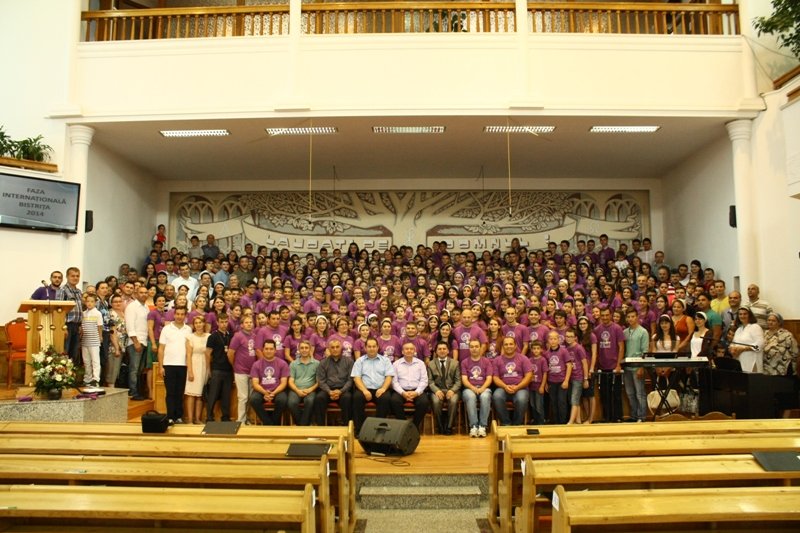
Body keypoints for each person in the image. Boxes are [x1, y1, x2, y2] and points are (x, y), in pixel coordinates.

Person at [351, 337, 396, 433]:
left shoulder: (385, 360)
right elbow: (356, 378)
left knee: (385, 399)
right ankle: (360, 430)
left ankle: (379, 430)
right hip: (364, 389)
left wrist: (383, 389)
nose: (372, 348)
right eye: (369, 346)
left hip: (380, 389)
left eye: (374, 346)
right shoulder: (359, 361)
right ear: (365, 348)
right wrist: (364, 390)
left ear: (378, 347)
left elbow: (389, 376)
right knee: (356, 398)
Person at [157, 306, 192, 424]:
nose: (180, 316)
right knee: (170, 392)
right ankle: (170, 416)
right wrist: (161, 366)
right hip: (169, 365)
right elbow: (161, 349)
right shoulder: (166, 329)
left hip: (183, 365)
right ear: (174, 315)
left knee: (180, 392)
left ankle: (179, 416)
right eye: (178, 314)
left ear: (185, 316)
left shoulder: (188, 330)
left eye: (182, 314)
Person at [313, 338, 355, 426]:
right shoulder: (323, 362)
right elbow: (321, 381)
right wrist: (329, 391)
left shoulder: (349, 361)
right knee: (319, 398)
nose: (335, 349)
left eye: (337, 347)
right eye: (332, 347)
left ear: (341, 348)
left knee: (347, 398)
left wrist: (340, 391)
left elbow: (350, 380)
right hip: (327, 390)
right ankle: (320, 428)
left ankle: (346, 427)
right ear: (329, 349)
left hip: (343, 390)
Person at [492, 336, 533, 426]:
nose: (508, 346)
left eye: (511, 344)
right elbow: (495, 378)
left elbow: (529, 376)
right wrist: (505, 386)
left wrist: (517, 387)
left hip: (521, 388)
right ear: (503, 346)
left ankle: (516, 424)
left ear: (515, 346)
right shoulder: (497, 360)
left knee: (521, 399)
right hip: (503, 388)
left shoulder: (523, 358)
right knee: (497, 396)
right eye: (506, 344)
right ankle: (506, 423)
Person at [594, 307, 625, 422]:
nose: (605, 317)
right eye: (603, 315)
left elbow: (621, 347)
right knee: (604, 394)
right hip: (602, 367)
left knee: (616, 393)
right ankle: (606, 417)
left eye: (607, 315)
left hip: (614, 366)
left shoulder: (617, 328)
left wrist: (618, 365)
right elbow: (596, 349)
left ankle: (618, 417)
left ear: (611, 315)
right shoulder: (597, 329)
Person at [390, 342, 430, 431]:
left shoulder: (421, 363)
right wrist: (403, 393)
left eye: (411, 349)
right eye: (406, 349)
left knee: (424, 402)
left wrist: (417, 392)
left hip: (416, 390)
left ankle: (414, 427)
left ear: (414, 351)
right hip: (401, 391)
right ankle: (404, 426)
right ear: (402, 351)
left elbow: (424, 380)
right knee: (394, 401)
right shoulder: (396, 364)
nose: (409, 351)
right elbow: (394, 382)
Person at [248, 339, 290, 425]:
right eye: (266, 349)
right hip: (261, 390)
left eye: (271, 349)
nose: (268, 351)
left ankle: (271, 423)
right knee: (254, 400)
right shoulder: (256, 364)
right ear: (263, 350)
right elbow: (255, 383)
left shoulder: (282, 363)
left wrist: (273, 393)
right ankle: (269, 424)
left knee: (282, 400)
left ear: (275, 350)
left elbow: (283, 383)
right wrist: (265, 393)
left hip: (277, 390)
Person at [227, 315, 259, 423]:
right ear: (241, 325)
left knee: (250, 397)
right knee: (243, 397)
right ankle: (241, 420)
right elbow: (230, 353)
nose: (249, 324)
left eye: (251, 322)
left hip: (252, 371)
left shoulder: (254, 336)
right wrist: (235, 365)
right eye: (246, 322)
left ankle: (247, 418)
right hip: (240, 371)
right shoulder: (238, 336)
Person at [427, 341, 461, 435]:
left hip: (452, 389)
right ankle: (440, 426)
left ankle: (449, 427)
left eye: (444, 349)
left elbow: (458, 381)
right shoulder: (431, 364)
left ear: (448, 351)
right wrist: (436, 390)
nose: (442, 351)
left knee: (453, 401)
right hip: (437, 390)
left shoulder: (455, 363)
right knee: (436, 401)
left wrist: (452, 390)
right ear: (436, 351)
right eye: (439, 349)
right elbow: (430, 381)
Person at [461, 339, 493, 437]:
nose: (474, 349)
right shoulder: (464, 362)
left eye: (476, 346)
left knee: (485, 396)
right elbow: (464, 380)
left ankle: (482, 426)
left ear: (480, 348)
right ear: (469, 348)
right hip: (469, 388)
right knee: (470, 397)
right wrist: (473, 388)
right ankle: (474, 426)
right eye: (472, 347)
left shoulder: (487, 361)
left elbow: (489, 378)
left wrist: (482, 388)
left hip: (484, 387)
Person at [205, 313, 234, 422]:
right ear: (217, 322)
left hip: (228, 369)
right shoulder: (212, 336)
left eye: (226, 322)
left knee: (226, 395)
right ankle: (209, 416)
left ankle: (225, 416)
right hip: (217, 369)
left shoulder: (231, 336)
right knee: (213, 394)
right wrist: (209, 370)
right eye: (221, 322)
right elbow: (208, 354)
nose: (224, 324)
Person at [623, 308, 649, 422]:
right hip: (627, 366)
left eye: (633, 316)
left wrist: (641, 367)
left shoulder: (643, 332)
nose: (630, 319)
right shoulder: (625, 332)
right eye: (628, 317)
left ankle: (641, 416)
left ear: (637, 317)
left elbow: (645, 351)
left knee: (640, 393)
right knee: (630, 393)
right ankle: (633, 416)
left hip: (638, 366)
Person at [124, 285, 149, 401]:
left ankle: (138, 391)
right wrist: (135, 341)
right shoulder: (132, 307)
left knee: (139, 370)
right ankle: (133, 392)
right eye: (141, 292)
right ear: (136, 294)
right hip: (135, 342)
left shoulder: (146, 307)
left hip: (144, 341)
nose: (144, 294)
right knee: (134, 369)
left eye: (145, 292)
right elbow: (129, 325)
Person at [286, 340, 320, 426]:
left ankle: (301, 425)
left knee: (310, 401)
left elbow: (319, 382)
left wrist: (310, 390)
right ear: (299, 350)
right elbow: (290, 381)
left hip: (310, 390)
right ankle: (304, 424)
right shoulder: (293, 364)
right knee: (291, 403)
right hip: (295, 389)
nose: (304, 350)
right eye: (302, 348)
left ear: (310, 349)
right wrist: (297, 390)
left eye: (306, 348)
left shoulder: (317, 363)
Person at [544, 330, 573, 425]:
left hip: (562, 381)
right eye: (551, 339)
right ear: (548, 340)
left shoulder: (564, 351)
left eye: (555, 339)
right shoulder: (546, 353)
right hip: (551, 381)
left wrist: (566, 381)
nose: (553, 341)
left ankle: (563, 423)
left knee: (562, 402)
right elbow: (546, 369)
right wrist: (546, 383)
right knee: (554, 402)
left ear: (558, 340)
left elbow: (569, 366)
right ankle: (556, 423)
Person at [185, 315, 209, 424]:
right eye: (196, 323)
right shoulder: (190, 337)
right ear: (194, 325)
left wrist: (209, 369)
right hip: (194, 365)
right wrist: (190, 371)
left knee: (200, 394)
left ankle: (197, 419)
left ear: (204, 324)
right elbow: (188, 355)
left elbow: (210, 354)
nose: (198, 325)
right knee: (191, 394)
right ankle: (190, 420)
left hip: (204, 366)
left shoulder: (209, 336)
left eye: (200, 322)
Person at [56, 267, 83, 366]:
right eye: (72, 276)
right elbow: (59, 310)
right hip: (66, 325)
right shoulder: (62, 290)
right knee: (65, 352)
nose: (75, 278)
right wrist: (63, 327)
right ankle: (63, 373)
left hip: (77, 325)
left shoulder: (79, 291)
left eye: (77, 276)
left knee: (74, 353)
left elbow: (80, 310)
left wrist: (80, 325)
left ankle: (72, 374)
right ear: (67, 277)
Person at [564, 329, 588, 425]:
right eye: (567, 336)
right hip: (570, 377)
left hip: (578, 377)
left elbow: (584, 363)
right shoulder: (566, 348)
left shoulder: (579, 348)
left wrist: (585, 379)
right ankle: (578, 420)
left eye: (571, 336)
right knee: (574, 400)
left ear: (575, 338)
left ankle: (570, 421)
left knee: (574, 399)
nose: (568, 338)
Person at [731, 307, 765, 373]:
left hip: (752, 361)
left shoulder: (755, 327)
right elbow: (733, 343)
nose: (742, 316)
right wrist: (732, 349)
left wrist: (743, 349)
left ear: (750, 315)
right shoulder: (739, 329)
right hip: (740, 361)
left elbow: (760, 345)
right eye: (740, 314)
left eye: (745, 314)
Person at [80, 293, 103, 386]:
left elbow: (100, 326)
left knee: (95, 361)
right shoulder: (83, 313)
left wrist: (100, 336)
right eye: (88, 301)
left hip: (94, 340)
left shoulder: (98, 313)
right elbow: (82, 327)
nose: (89, 303)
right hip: (85, 340)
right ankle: (87, 378)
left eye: (92, 301)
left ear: (95, 302)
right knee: (86, 361)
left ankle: (96, 379)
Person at [528, 340, 549, 425]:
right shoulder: (529, 360)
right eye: (534, 348)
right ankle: (535, 421)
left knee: (539, 405)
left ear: (541, 350)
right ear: (531, 350)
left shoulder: (543, 360)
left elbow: (545, 373)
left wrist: (542, 386)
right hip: (531, 386)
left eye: (538, 348)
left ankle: (541, 422)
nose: (536, 350)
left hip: (539, 386)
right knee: (532, 404)